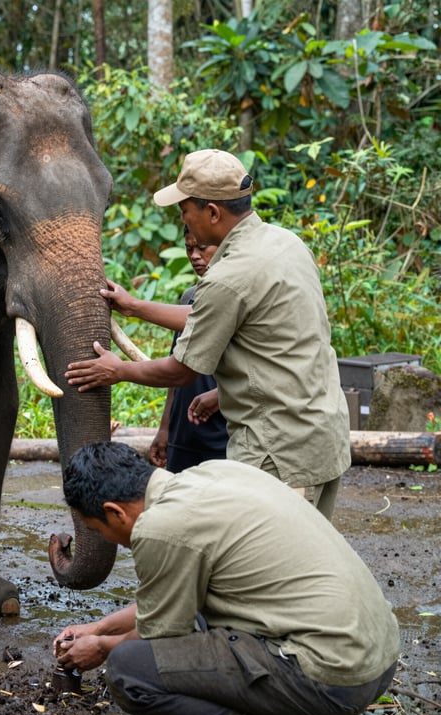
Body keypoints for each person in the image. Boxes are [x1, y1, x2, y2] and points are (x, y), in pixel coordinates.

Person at [54, 441, 399, 715]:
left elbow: (159, 635)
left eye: (96, 529)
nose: (104, 538)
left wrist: (101, 648)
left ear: (115, 512)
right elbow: (164, 606)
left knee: (129, 671)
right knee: (200, 627)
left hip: (333, 680)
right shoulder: (215, 474)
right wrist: (98, 628)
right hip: (376, 662)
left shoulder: (161, 527)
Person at [65, 148, 351, 519]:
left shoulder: (227, 277)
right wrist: (135, 306)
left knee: (261, 569)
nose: (183, 220)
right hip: (322, 434)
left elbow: (182, 370)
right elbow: (276, 338)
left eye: (185, 211)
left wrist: (118, 371)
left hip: (277, 452)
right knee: (307, 561)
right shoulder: (286, 244)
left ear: (212, 213)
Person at [151, 230, 227, 470]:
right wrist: (165, 429)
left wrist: (220, 396)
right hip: (184, 431)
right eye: (189, 249)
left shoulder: (236, 297)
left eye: (203, 248)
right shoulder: (189, 297)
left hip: (222, 433)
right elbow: (177, 366)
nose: (195, 256)